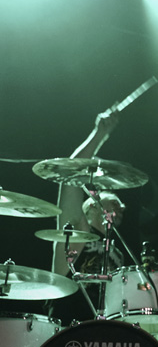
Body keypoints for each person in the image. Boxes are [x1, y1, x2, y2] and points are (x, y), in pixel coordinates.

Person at [50, 108, 125, 322]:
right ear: (92, 205)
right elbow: (69, 174)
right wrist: (99, 134)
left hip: (105, 333)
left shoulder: (118, 251)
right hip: (70, 328)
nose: (122, 207)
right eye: (114, 202)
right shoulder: (77, 230)